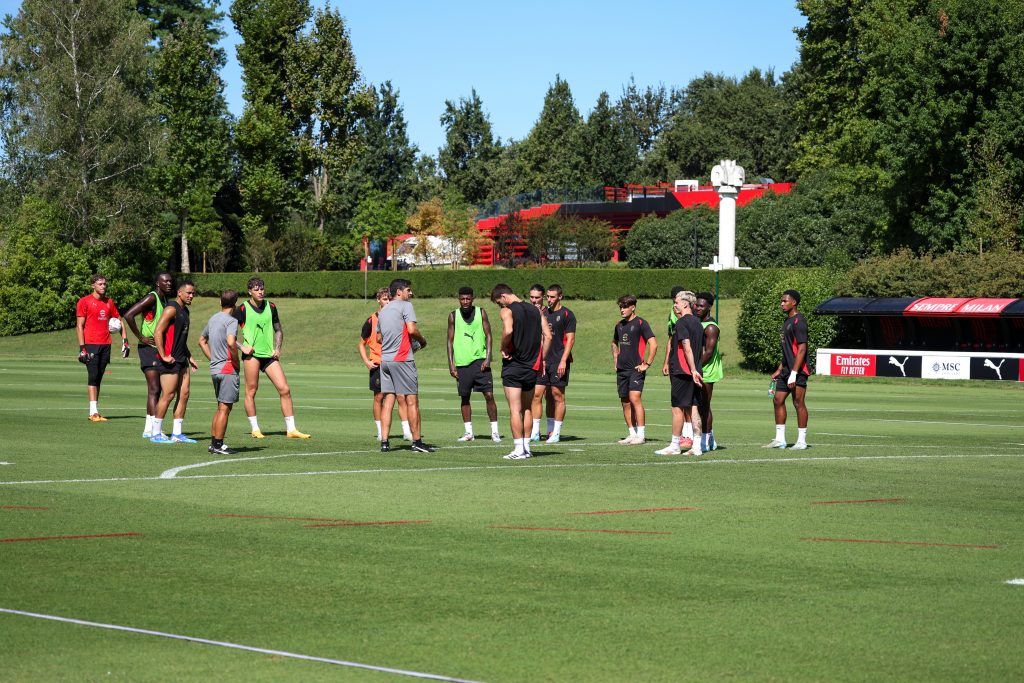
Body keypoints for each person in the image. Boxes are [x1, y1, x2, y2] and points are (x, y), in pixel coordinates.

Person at [232, 277, 310, 439]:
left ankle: (291, 430)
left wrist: (278, 348)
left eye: (262, 288)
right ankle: (255, 429)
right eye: (256, 289)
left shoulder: (271, 306)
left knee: (284, 389)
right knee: (251, 391)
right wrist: (242, 347)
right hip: (252, 356)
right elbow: (229, 334)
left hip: (269, 355)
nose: (260, 292)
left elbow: (278, 330)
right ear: (249, 292)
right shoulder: (242, 309)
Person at [491, 283, 551, 460]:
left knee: (515, 409)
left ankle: (518, 450)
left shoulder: (507, 310)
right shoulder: (536, 310)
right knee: (527, 409)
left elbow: (508, 330)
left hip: (514, 366)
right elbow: (548, 336)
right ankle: (526, 448)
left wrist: (503, 347)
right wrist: (542, 358)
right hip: (531, 367)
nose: (500, 306)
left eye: (499, 302)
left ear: (503, 297)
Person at [377, 278, 435, 453]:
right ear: (399, 292)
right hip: (402, 359)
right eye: (408, 290)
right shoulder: (406, 306)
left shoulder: (383, 310)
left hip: (385, 361)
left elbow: (378, 338)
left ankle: (384, 442)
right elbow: (412, 329)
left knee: (388, 400)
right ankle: (417, 442)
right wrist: (422, 341)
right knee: (412, 401)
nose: (411, 293)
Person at [123, 272, 176, 438]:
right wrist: (141, 337)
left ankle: (148, 429)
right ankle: (154, 430)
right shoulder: (152, 298)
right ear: (158, 283)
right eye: (165, 281)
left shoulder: (165, 300)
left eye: (170, 281)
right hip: (148, 349)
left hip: (158, 349)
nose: (169, 283)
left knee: (157, 389)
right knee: (154, 388)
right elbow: (128, 315)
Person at [446, 286, 501, 443]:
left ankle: (495, 432)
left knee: (489, 395)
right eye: (462, 299)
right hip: (462, 363)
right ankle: (469, 432)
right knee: (465, 397)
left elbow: (489, 335)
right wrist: (451, 364)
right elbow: (449, 341)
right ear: (459, 299)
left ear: (472, 299)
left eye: (468, 299)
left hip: (480, 362)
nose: (465, 301)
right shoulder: (453, 316)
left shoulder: (481, 312)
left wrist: (488, 358)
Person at [359, 287, 413, 441]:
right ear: (378, 300)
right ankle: (380, 431)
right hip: (378, 364)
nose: (387, 302)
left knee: (401, 396)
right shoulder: (371, 320)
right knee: (379, 397)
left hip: (396, 361)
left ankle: (406, 431)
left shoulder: (399, 317)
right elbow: (361, 344)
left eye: (389, 299)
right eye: (384, 299)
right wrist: (367, 361)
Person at [150, 281, 200, 443]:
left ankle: (177, 433)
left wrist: (189, 357)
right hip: (169, 360)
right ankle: (155, 433)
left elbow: (180, 339)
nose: (191, 296)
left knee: (184, 394)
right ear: (179, 293)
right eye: (189, 293)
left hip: (182, 359)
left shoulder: (185, 311)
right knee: (168, 395)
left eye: (193, 293)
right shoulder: (171, 309)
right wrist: (163, 355)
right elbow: (158, 332)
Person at [656, 290, 704, 457]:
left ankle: (675, 445)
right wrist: (696, 370)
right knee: (694, 408)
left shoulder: (681, 322)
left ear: (685, 303)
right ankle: (697, 446)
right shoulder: (698, 323)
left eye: (676, 302)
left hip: (683, 371)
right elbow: (701, 349)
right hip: (695, 372)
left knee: (677, 409)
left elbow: (686, 347)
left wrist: (691, 369)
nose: (674, 305)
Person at [75, 274, 129, 421]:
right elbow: (79, 326)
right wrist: (82, 347)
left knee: (98, 377)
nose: (103, 286)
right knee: (93, 376)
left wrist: (125, 341)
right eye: (100, 284)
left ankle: (95, 411)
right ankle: (93, 412)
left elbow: (119, 321)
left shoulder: (109, 302)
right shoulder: (84, 301)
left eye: (105, 284)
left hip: (106, 344)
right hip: (90, 344)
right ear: (93, 285)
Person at [198, 289, 242, 455]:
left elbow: (201, 341)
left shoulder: (213, 318)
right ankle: (218, 445)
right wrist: (236, 362)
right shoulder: (231, 321)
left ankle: (214, 443)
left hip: (215, 369)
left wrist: (213, 358)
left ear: (220, 302)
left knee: (220, 407)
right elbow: (231, 342)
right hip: (227, 368)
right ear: (235, 304)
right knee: (225, 409)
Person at [765, 289, 810, 450]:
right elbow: (788, 351)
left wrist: (794, 373)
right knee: (777, 400)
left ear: (794, 302)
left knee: (798, 403)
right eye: (781, 301)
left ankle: (801, 441)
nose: (782, 303)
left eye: (785, 301)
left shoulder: (799, 321)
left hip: (798, 371)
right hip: (786, 371)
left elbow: (802, 350)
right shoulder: (787, 322)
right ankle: (780, 439)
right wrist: (780, 369)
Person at [532, 284, 576, 444]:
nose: (549, 300)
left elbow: (570, 339)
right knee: (537, 395)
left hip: (559, 360)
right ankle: (535, 432)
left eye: (552, 297)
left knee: (557, 395)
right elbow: (540, 336)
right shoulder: (543, 313)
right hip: (543, 361)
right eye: (548, 297)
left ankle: (555, 432)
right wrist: (540, 358)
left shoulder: (567, 314)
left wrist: (563, 360)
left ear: (560, 297)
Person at [611, 295, 657, 445]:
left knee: (634, 398)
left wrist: (647, 364)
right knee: (625, 401)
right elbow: (614, 342)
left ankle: (641, 435)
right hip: (622, 370)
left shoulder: (641, 323)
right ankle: (632, 434)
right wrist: (616, 359)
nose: (622, 309)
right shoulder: (619, 325)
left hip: (636, 369)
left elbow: (653, 343)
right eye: (620, 307)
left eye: (625, 307)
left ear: (633, 307)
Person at [661, 285, 694, 449]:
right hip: (676, 361)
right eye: (673, 302)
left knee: (686, 402)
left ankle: (689, 435)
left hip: (684, 364)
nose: (674, 305)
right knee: (681, 401)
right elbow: (670, 339)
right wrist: (666, 361)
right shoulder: (673, 316)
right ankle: (685, 435)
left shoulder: (688, 318)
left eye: (676, 302)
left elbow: (689, 344)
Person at [694, 292, 723, 451]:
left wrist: (695, 367)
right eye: (696, 305)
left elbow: (709, 352)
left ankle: (705, 440)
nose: (698, 308)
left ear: (709, 307)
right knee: (699, 406)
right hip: (699, 369)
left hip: (707, 371)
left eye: (702, 306)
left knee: (704, 406)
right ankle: (710, 439)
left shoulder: (711, 327)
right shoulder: (699, 323)